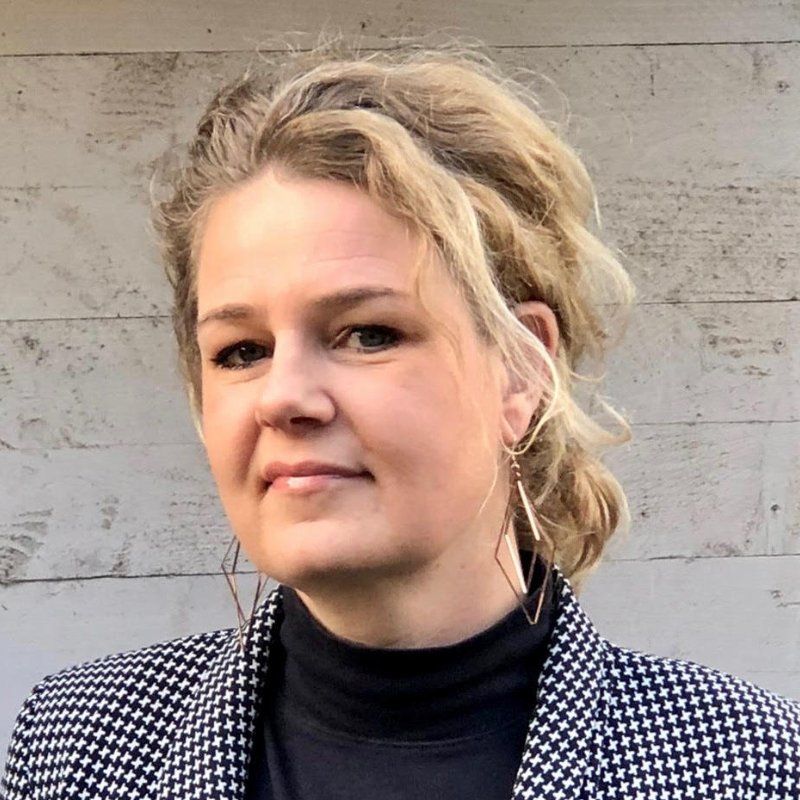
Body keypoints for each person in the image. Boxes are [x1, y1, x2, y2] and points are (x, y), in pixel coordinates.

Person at [2, 35, 798, 800]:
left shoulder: (748, 768)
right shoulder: (80, 748)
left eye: (368, 333)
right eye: (242, 351)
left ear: (522, 368)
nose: (283, 396)